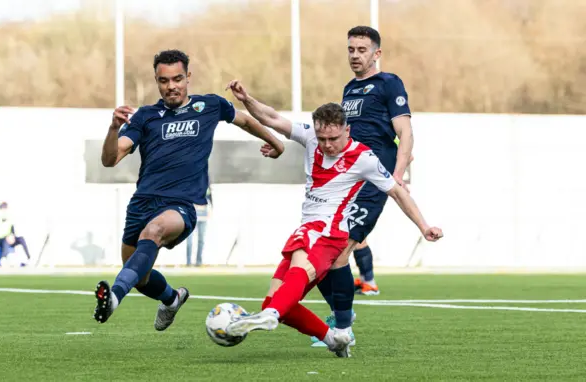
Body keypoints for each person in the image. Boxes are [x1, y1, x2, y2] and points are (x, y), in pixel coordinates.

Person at [224, 80, 442, 358]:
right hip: (307, 228)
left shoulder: (364, 158)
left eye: (333, 139)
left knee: (289, 286)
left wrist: (424, 227)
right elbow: (272, 118)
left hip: (329, 233)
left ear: (347, 130)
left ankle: (270, 315)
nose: (326, 145)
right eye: (322, 138)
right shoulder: (311, 138)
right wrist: (247, 99)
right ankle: (333, 338)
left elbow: (398, 192)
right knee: (277, 299)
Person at [93, 50, 285, 330]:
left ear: (188, 78)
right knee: (139, 275)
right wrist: (113, 129)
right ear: (157, 81)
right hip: (141, 203)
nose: (171, 86)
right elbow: (110, 159)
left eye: (177, 79)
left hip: (181, 205)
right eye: (164, 80)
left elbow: (245, 120)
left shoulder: (210, 106)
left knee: (154, 233)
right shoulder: (146, 116)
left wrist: (277, 143)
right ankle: (172, 298)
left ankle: (114, 297)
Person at [311, 25, 417, 348]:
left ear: (376, 53)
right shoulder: (348, 90)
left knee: (341, 251)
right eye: (351, 50)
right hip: (345, 182)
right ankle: (342, 315)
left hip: (373, 180)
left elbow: (406, 134)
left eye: (362, 50)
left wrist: (396, 176)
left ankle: (343, 327)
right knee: (317, 252)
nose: (355, 55)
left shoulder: (389, 84)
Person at [0, 202, 31, 266]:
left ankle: (28, 257)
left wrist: (12, 235)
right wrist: (0, 207)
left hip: (7, 238)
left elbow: (11, 228)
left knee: (20, 239)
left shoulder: (9, 217)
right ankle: (3, 259)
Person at [186, 184, 212, 267]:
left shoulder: (207, 187)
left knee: (201, 241)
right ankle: (188, 262)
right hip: (192, 218)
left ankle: (199, 261)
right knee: (189, 241)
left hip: (203, 217)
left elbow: (210, 201)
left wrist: (210, 212)